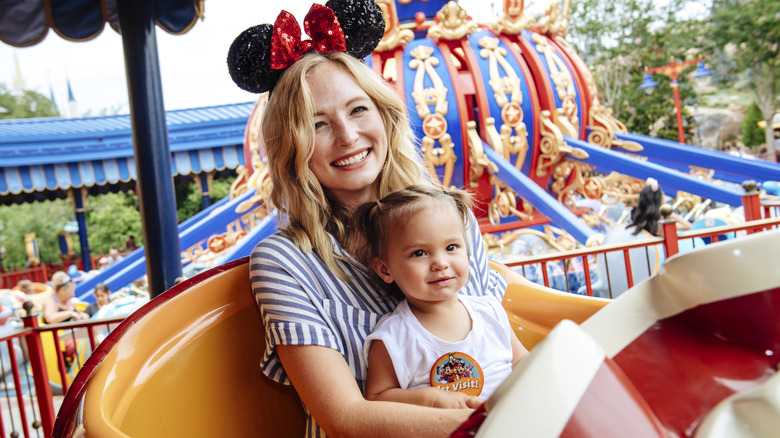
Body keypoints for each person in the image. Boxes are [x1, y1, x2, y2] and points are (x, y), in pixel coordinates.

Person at [229, 1, 509, 435]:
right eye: (318, 124)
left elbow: (501, 341)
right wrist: (498, 424)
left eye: (358, 110)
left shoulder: (447, 215)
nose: (348, 136)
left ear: (384, 114)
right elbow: (347, 418)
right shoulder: (284, 263)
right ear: (292, 147)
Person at [356, 186, 528, 409]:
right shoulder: (394, 337)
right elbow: (377, 398)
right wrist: (431, 399)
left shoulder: (490, 311)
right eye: (419, 253)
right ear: (385, 270)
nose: (440, 263)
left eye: (451, 247)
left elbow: (522, 361)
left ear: (467, 252)